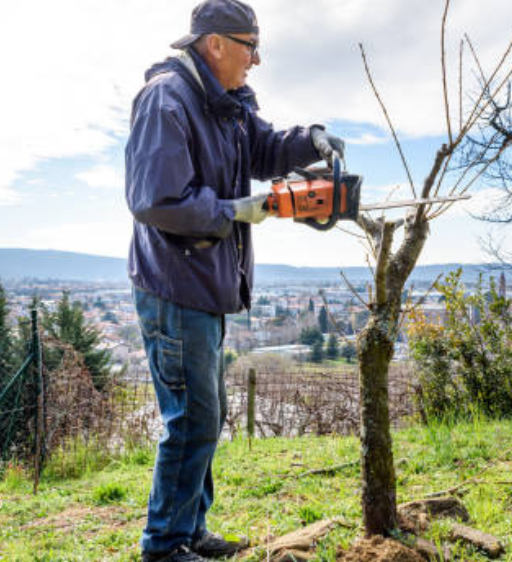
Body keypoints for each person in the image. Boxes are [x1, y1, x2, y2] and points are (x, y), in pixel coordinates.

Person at [124, 1, 345, 561]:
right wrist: (234, 210)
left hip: (205, 282)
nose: (256, 60)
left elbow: (264, 148)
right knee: (191, 417)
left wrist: (310, 140)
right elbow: (156, 200)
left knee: (206, 412)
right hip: (176, 284)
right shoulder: (167, 100)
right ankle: (165, 545)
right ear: (215, 43)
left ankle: (189, 529)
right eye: (250, 46)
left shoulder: (226, 103)